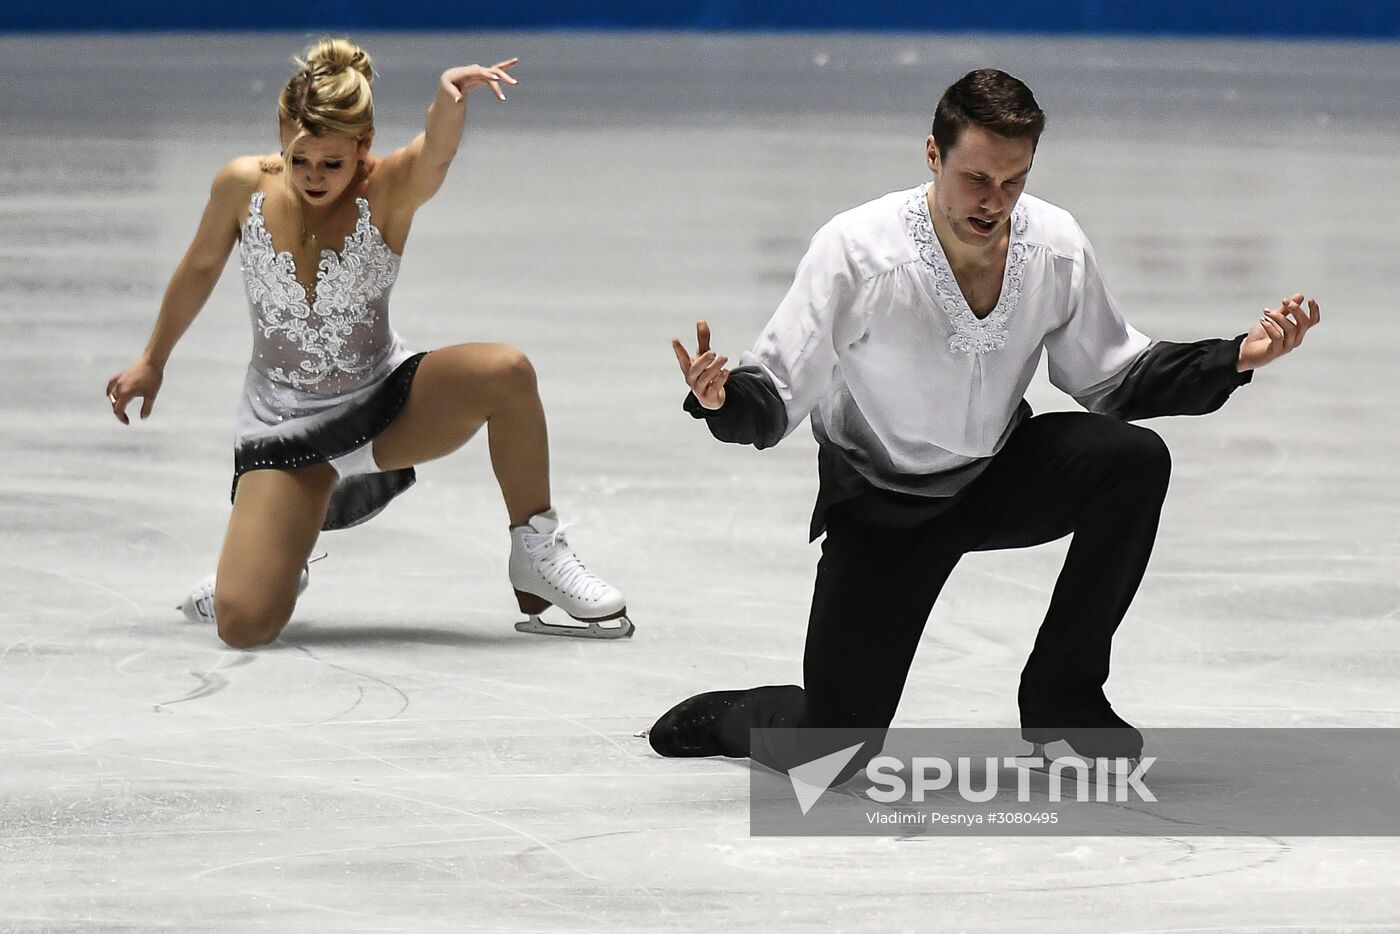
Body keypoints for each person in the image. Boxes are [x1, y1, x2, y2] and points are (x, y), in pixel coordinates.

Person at [650, 68, 1318, 769]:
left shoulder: (1052, 245)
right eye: (976, 179)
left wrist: (1236, 356)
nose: (994, 202)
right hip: (885, 510)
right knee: (832, 751)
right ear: (933, 155)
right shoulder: (855, 252)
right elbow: (779, 388)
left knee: (1132, 460)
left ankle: (1063, 699)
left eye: (1013, 181)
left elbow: (1114, 374)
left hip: (998, 476)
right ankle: (739, 716)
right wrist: (723, 400)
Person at [106, 38, 633, 646]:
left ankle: (534, 549)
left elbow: (434, 155)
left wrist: (448, 102)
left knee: (506, 372)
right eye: (300, 159)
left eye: (331, 164)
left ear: (363, 145)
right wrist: (153, 360)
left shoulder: (388, 189)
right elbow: (199, 267)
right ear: (282, 131)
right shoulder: (242, 186)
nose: (313, 177)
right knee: (244, 625)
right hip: (285, 429)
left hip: (387, 405)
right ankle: (281, 548)